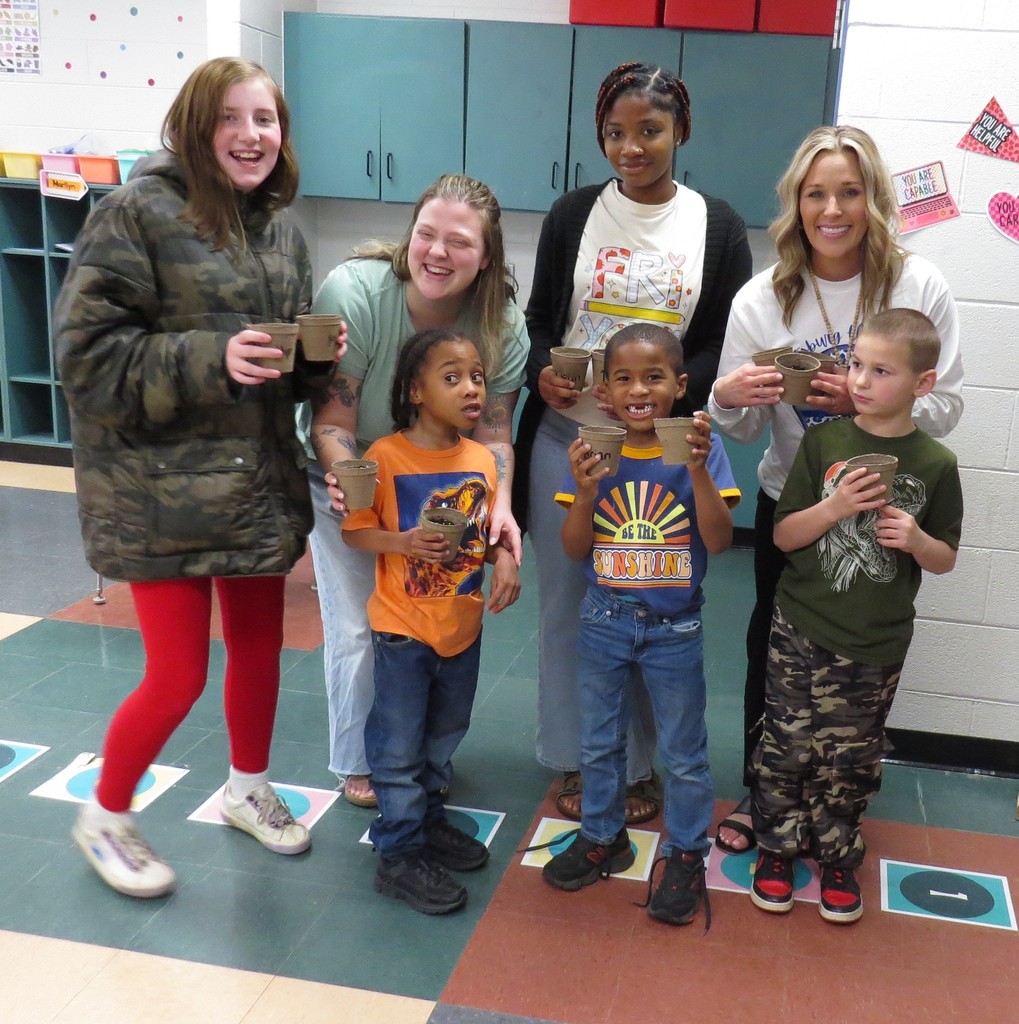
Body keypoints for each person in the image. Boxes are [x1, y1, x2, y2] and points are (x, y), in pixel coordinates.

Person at [53, 58, 345, 898]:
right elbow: (87, 362)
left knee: (258, 649)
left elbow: (271, 359)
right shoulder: (133, 214)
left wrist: (314, 363)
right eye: (231, 118)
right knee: (176, 674)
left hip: (250, 482)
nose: (252, 135)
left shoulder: (280, 229)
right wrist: (211, 356)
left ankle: (248, 788)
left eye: (266, 119)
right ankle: (104, 815)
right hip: (157, 492)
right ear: (192, 124)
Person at [709, 125, 964, 854]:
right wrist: (728, 393)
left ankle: (833, 808)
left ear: (872, 199)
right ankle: (764, 799)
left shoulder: (916, 285)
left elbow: (946, 406)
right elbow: (744, 430)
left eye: (848, 192)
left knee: (860, 667)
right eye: (815, 193)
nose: (832, 209)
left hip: (885, 508)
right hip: (791, 502)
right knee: (773, 655)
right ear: (794, 202)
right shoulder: (762, 297)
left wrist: (865, 405)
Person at [513, 61, 752, 824]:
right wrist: (545, 376)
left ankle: (644, 767)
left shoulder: (715, 225)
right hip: (572, 439)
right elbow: (541, 320)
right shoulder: (571, 213)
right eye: (614, 133)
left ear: (679, 130)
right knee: (568, 605)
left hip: (661, 449)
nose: (630, 147)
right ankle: (583, 759)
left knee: (651, 600)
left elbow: (718, 344)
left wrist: (658, 403)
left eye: (647, 131)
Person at [304, 175, 528, 808]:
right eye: (426, 234)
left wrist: (501, 512)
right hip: (354, 474)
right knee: (358, 627)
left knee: (433, 621)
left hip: (441, 487)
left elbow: (495, 433)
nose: (437, 252)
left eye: (459, 242)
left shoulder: (503, 325)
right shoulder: (355, 292)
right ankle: (360, 761)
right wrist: (359, 489)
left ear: (486, 257)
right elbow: (332, 419)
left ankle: (421, 755)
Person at [749, 308, 962, 923]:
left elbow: (945, 558)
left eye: (881, 371)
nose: (861, 381)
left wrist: (917, 540)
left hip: (875, 640)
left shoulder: (936, 464)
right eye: (857, 366)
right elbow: (785, 536)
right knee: (785, 745)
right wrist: (836, 505)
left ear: (922, 385)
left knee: (851, 755)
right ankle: (778, 847)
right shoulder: (823, 443)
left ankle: (837, 851)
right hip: (801, 623)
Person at [539, 324, 739, 927]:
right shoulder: (596, 448)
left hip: (673, 628)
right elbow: (575, 549)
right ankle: (605, 835)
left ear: (680, 385)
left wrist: (699, 471)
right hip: (603, 618)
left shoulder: (704, 446)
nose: (638, 390)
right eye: (622, 378)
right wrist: (582, 490)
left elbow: (720, 541)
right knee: (598, 742)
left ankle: (684, 853)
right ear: (603, 389)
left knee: (682, 752)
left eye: (653, 376)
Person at [341, 328, 521, 915]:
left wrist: (505, 561)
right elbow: (356, 530)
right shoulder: (385, 457)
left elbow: (481, 535)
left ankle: (429, 822)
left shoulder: (480, 460)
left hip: (461, 627)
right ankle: (397, 854)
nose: (471, 388)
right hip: (403, 628)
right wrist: (403, 541)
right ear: (416, 391)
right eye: (452, 378)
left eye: (475, 376)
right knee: (396, 745)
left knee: (444, 733)